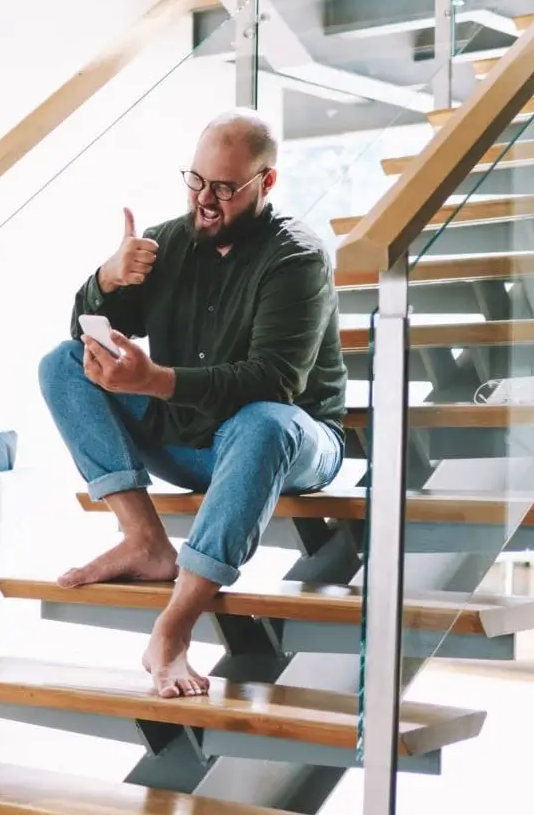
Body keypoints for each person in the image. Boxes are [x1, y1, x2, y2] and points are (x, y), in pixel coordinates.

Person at [37, 109, 348, 698]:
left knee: (264, 422)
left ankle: (175, 628)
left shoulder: (297, 259)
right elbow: (89, 332)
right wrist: (107, 278)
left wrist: (155, 381)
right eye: (197, 181)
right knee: (60, 364)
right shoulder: (171, 241)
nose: (207, 200)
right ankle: (145, 542)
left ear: (267, 182)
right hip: (191, 437)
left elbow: (275, 380)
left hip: (292, 442)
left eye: (226, 188)